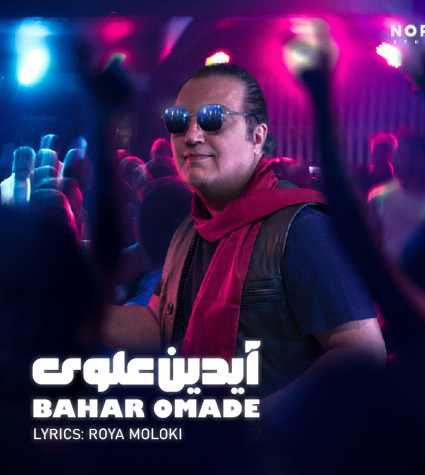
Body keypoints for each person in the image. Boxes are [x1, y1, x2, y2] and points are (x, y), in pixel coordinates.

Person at [103, 63, 386, 396]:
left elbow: (363, 353)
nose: (191, 136)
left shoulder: (301, 227)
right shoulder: (190, 230)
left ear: (258, 137)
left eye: (213, 119)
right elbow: (159, 325)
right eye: (178, 121)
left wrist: (264, 417)